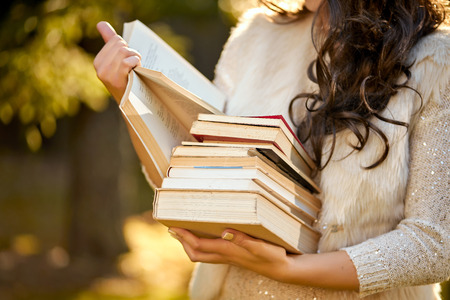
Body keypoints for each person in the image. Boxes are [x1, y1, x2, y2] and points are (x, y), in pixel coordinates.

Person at [94, 0, 449, 299]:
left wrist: (288, 268)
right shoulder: (255, 36)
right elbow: (184, 178)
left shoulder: (435, 59)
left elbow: (433, 245)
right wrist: (128, 96)